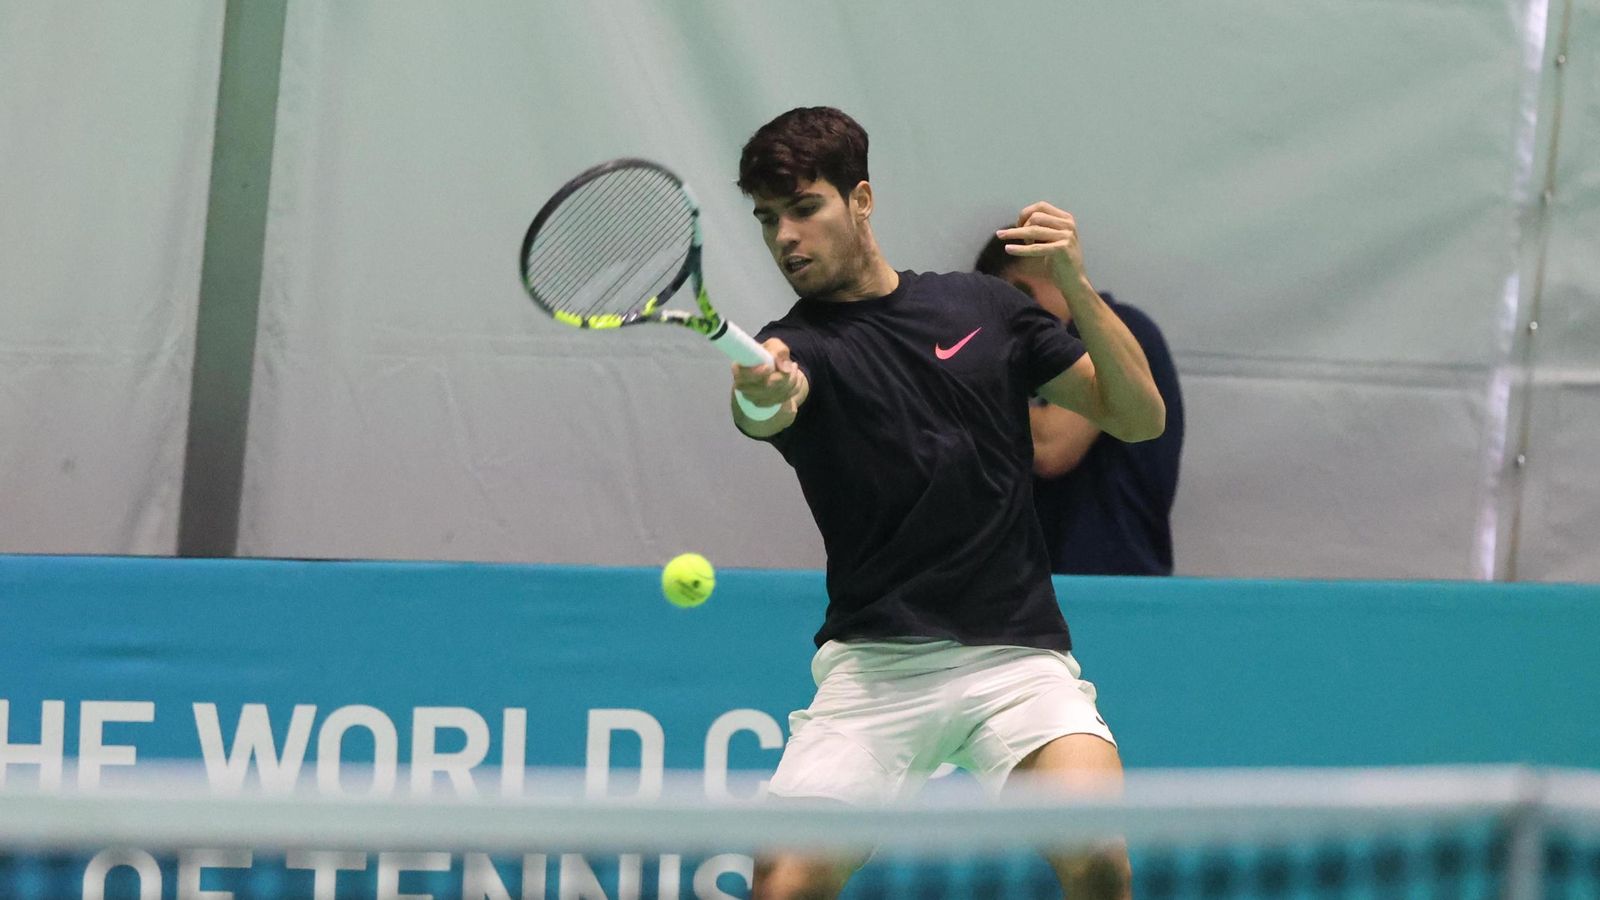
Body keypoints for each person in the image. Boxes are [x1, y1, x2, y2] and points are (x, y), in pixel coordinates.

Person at [728, 106, 1164, 900]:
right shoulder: (798, 347)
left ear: (861, 201)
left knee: (1098, 854)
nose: (785, 236)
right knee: (783, 881)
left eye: (804, 207)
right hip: (877, 669)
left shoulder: (983, 309)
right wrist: (766, 391)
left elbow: (1138, 416)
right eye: (767, 218)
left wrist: (1075, 282)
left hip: (1017, 660)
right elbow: (765, 406)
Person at [974, 236, 1184, 576]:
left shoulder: (1116, 336)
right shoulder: (1040, 357)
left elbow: (1052, 447)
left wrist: (952, 391)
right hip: (1050, 584)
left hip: (1112, 582)